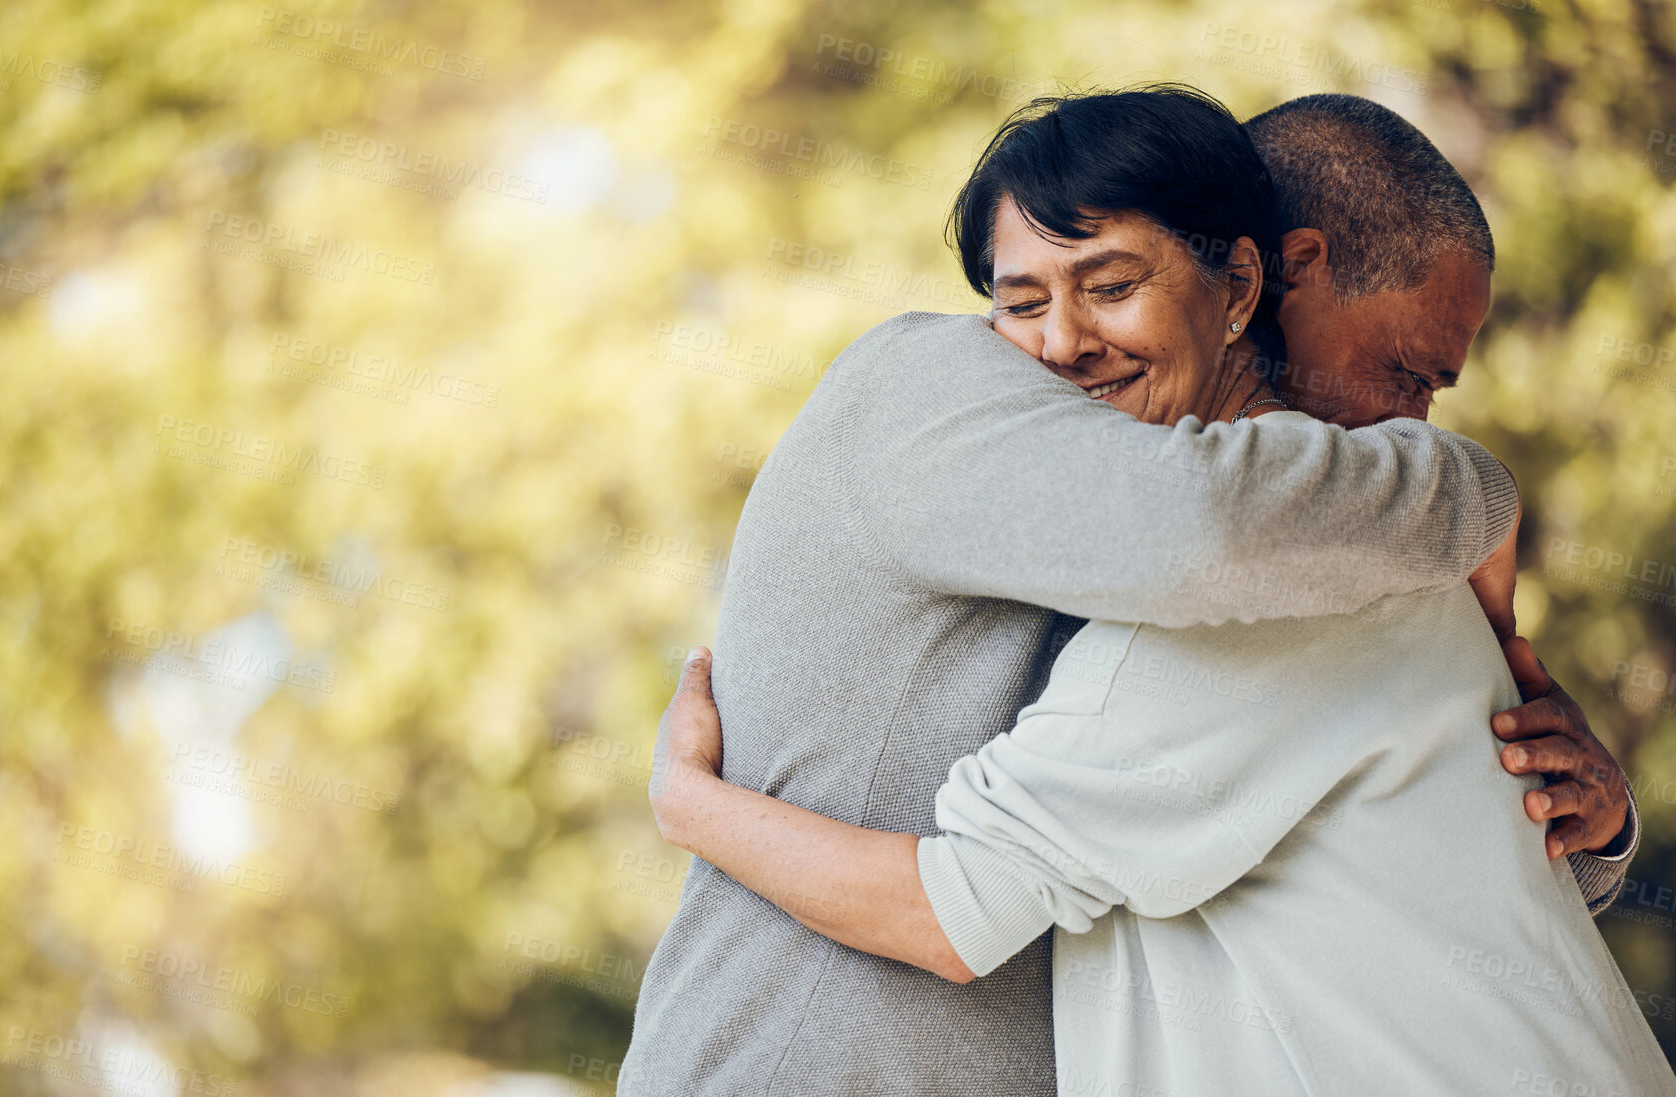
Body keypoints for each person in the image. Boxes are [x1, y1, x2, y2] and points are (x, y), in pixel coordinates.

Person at [618, 87, 1634, 1097]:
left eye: (1110, 286)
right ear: (1285, 274)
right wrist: (1473, 488)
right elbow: (1203, 532)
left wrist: (1590, 825)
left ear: (1235, 289)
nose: (1059, 342)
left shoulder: (1321, 543)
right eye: (1019, 300)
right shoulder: (931, 387)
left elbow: (1360, 847)